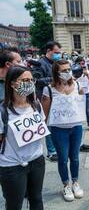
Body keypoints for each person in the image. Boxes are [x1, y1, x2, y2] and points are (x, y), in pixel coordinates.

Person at [0, 66, 46, 210]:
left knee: (37, 199)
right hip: (12, 166)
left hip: (37, 161)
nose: (30, 83)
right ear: (12, 83)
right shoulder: (3, 111)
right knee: (14, 205)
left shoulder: (36, 105)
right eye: (25, 80)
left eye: (31, 80)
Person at [41, 60, 84, 202]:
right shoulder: (49, 89)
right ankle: (66, 184)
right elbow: (44, 114)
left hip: (76, 127)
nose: (67, 72)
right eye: (63, 70)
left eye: (68, 69)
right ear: (56, 72)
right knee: (63, 159)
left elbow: (81, 101)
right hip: (59, 130)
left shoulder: (77, 84)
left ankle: (76, 183)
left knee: (75, 157)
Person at [35, 41, 62, 162]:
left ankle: (57, 147)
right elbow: (37, 80)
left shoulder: (56, 62)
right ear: (48, 51)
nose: (58, 55)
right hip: (45, 98)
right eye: (56, 52)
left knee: (56, 123)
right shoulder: (40, 63)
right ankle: (51, 151)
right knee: (48, 124)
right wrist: (55, 79)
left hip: (57, 96)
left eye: (59, 52)